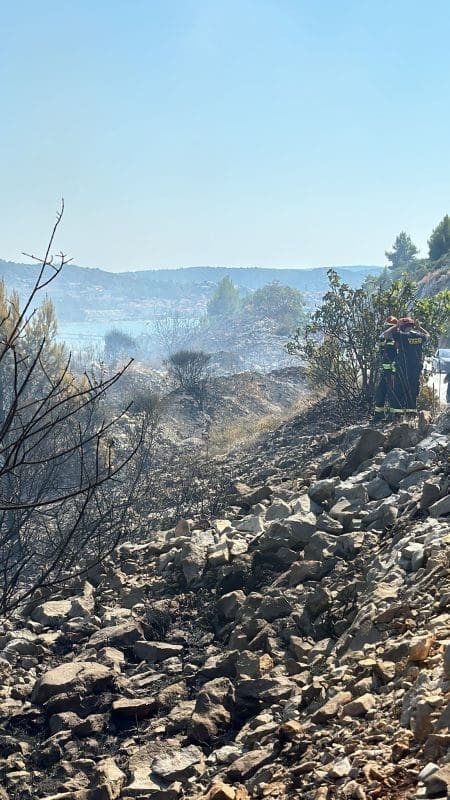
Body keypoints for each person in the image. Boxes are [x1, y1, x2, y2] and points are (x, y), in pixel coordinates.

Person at [384, 317, 430, 414]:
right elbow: (428, 335)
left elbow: (386, 334)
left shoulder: (401, 336)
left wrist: (396, 326)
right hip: (415, 371)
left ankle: (398, 415)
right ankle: (411, 414)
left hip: (403, 370)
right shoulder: (419, 336)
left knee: (399, 391)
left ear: (403, 327)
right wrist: (419, 327)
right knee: (412, 392)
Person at [373, 316, 398, 420]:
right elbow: (381, 342)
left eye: (389, 327)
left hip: (394, 372)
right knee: (381, 392)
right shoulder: (384, 338)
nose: (387, 329)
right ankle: (379, 414)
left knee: (393, 393)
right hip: (385, 371)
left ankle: (393, 415)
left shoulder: (398, 338)